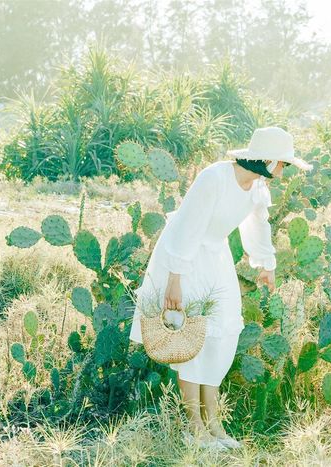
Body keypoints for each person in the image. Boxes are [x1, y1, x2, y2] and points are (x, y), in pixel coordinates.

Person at [129, 126, 313, 450]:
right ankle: (194, 428)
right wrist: (175, 278)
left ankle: (214, 424)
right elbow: (186, 226)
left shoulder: (256, 187)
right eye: (283, 163)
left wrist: (266, 264)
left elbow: (257, 225)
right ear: (268, 160)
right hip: (184, 256)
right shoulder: (214, 178)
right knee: (192, 334)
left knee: (224, 333)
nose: (283, 171)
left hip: (216, 255)